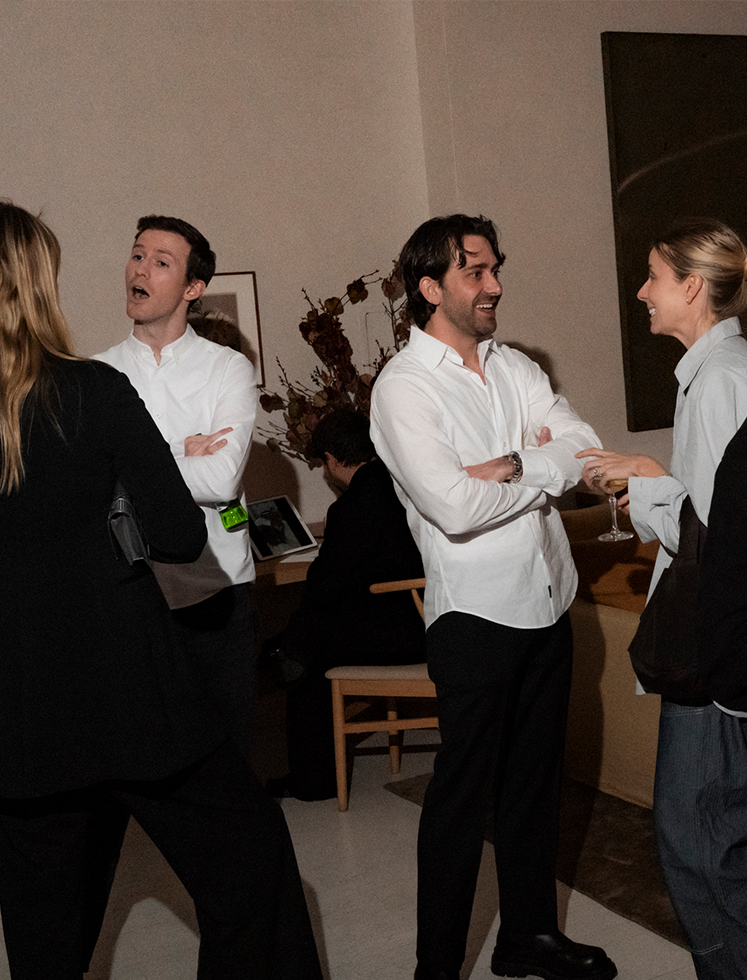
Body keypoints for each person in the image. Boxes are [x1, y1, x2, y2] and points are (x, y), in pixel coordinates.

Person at [0, 201, 322, 980]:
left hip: (7, 703)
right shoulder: (94, 389)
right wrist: (129, 473)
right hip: (119, 686)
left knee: (44, 930)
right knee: (249, 860)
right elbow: (180, 533)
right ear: (39, 283)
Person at [370, 213, 616, 980]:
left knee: (534, 788)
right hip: (476, 616)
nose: (495, 285)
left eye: (494, 268)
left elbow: (583, 450)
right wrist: (539, 467)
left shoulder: (516, 368)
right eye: (475, 271)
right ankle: (437, 968)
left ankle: (527, 939)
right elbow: (453, 507)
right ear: (429, 287)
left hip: (549, 601)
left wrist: (509, 466)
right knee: (460, 800)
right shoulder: (403, 388)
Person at [577, 219, 747, 980]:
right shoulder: (721, 371)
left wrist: (645, 483)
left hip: (713, 652)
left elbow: (716, 542)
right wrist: (652, 479)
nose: (641, 291)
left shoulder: (718, 381)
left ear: (692, 285)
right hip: (720, 642)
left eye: (653, 276)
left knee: (695, 842)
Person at [97, 214, 258, 758]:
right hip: (133, 595)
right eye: (137, 254)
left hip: (218, 590)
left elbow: (222, 478)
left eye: (161, 262)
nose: (140, 270)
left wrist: (132, 466)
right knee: (147, 758)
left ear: (193, 288)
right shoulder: (96, 375)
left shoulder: (228, 369)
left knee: (228, 758)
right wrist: (178, 452)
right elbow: (90, 485)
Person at [265, 408, 425, 802]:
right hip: (423, 619)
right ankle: (284, 651)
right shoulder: (404, 486)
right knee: (309, 632)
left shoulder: (355, 505)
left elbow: (326, 585)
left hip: (396, 635)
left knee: (306, 652)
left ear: (332, 460)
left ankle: (312, 781)